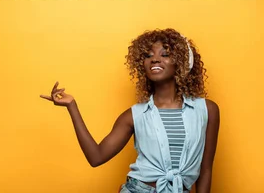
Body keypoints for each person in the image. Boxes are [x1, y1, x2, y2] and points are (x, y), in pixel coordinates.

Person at [40, 29, 219, 192]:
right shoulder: (134, 115)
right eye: (148, 55)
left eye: (165, 54)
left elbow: (206, 169)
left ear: (181, 63)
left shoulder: (207, 110)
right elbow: (96, 157)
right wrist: (72, 106)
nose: (155, 59)